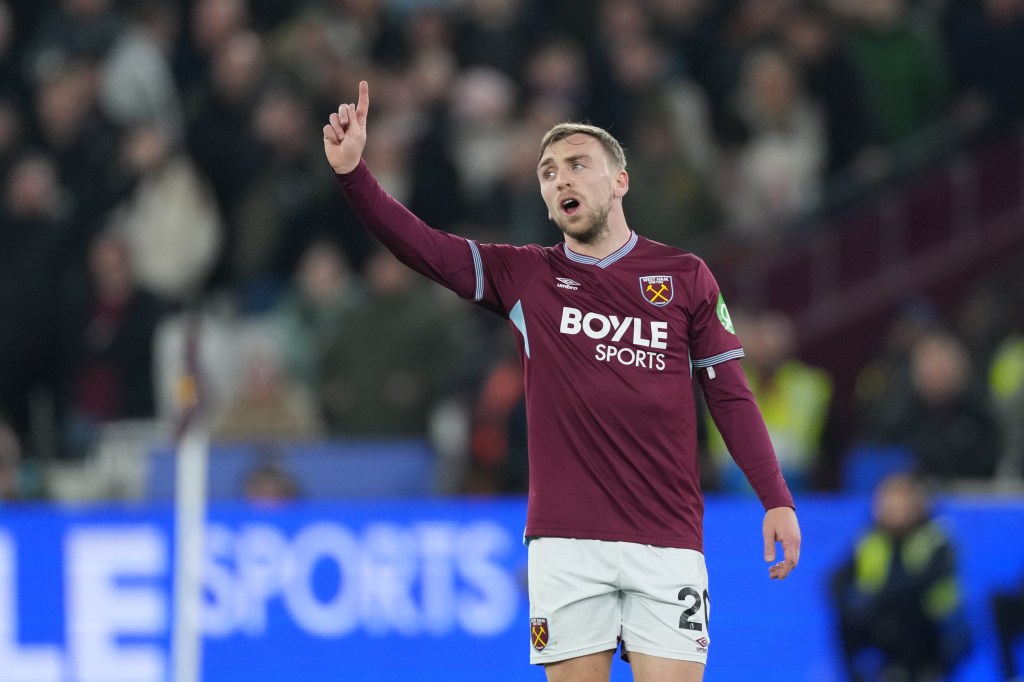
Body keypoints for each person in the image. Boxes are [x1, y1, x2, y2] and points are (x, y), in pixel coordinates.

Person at [323, 81, 800, 682]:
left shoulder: (686, 277)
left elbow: (728, 393)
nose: (561, 180)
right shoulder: (526, 275)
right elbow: (423, 248)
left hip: (669, 539)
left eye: (578, 165)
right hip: (567, 544)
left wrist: (775, 496)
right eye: (548, 173)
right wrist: (353, 175)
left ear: (620, 180)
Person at [830, 472, 973, 682]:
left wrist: (881, 598)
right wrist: (851, 604)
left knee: (908, 609)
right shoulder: (870, 539)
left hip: (933, 622)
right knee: (848, 618)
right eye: (888, 503)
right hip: (882, 615)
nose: (894, 510)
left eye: (901, 504)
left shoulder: (936, 537)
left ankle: (922, 672)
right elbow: (837, 580)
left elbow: (926, 581)